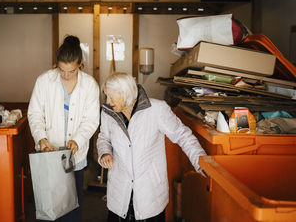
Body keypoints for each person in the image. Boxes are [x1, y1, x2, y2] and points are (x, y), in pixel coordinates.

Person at [97, 72, 207, 222]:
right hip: (119, 192)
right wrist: (104, 153)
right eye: (106, 96)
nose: (108, 102)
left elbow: (183, 135)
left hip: (150, 194)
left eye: (111, 97)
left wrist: (199, 160)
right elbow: (104, 137)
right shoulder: (108, 112)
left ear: (125, 94)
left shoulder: (157, 109)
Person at [27, 35, 100, 222]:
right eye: (61, 70)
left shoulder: (90, 85)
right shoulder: (44, 81)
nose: (66, 75)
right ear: (56, 64)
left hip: (74, 155)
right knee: (49, 206)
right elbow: (35, 114)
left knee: (72, 206)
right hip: (48, 152)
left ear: (81, 64)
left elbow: (92, 120)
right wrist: (41, 138)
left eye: (71, 71)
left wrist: (78, 139)